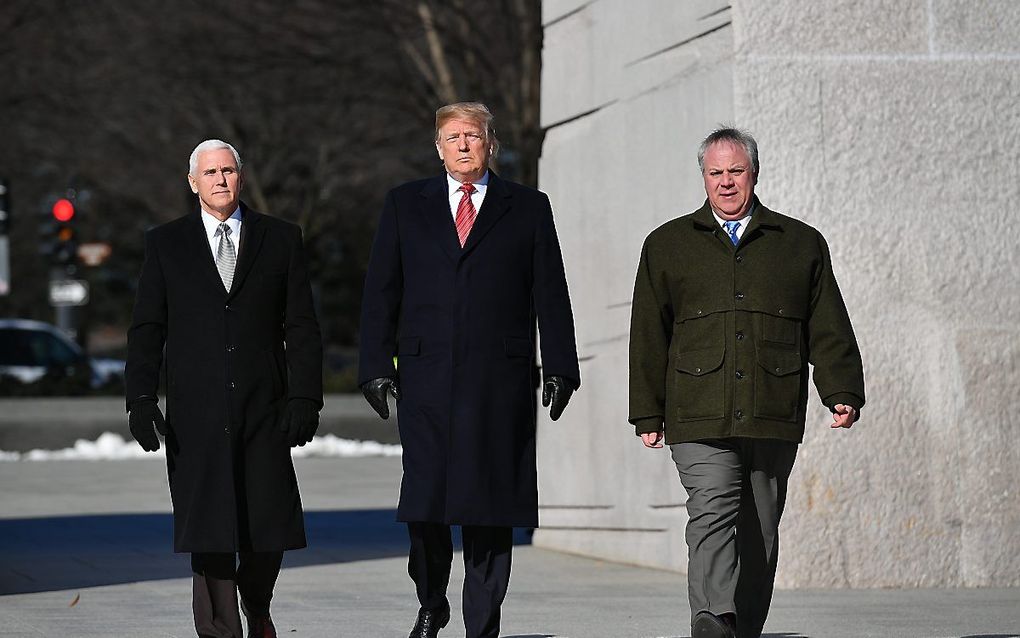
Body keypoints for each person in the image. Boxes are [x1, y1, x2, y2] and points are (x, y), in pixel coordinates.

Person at [628, 127, 865, 638]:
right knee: (711, 511)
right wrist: (648, 411)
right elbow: (648, 332)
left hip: (771, 410)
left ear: (754, 173)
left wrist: (841, 389)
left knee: (759, 528)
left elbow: (827, 323)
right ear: (703, 177)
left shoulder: (799, 243)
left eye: (735, 171)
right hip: (696, 411)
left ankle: (742, 625)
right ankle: (714, 617)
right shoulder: (667, 244)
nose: (726, 182)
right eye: (716, 172)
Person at [358, 102, 580, 638]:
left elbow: (550, 292)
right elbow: (381, 291)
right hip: (425, 378)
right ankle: (431, 598)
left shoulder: (526, 207)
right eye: (452, 137)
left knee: (490, 504)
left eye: (473, 136)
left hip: (496, 383)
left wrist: (561, 365)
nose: (463, 145)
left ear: (490, 143)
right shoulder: (404, 205)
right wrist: (373, 365)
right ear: (438, 146)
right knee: (425, 505)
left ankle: (482, 624)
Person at [125, 139, 323, 638]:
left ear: (242, 177)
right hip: (197, 413)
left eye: (228, 170)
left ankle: (257, 603)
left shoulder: (280, 239)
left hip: (264, 406)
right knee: (209, 527)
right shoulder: (166, 243)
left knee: (267, 526)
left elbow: (301, 326)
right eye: (209, 172)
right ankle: (220, 629)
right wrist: (141, 399)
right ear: (192, 182)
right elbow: (148, 328)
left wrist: (305, 396)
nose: (220, 179)